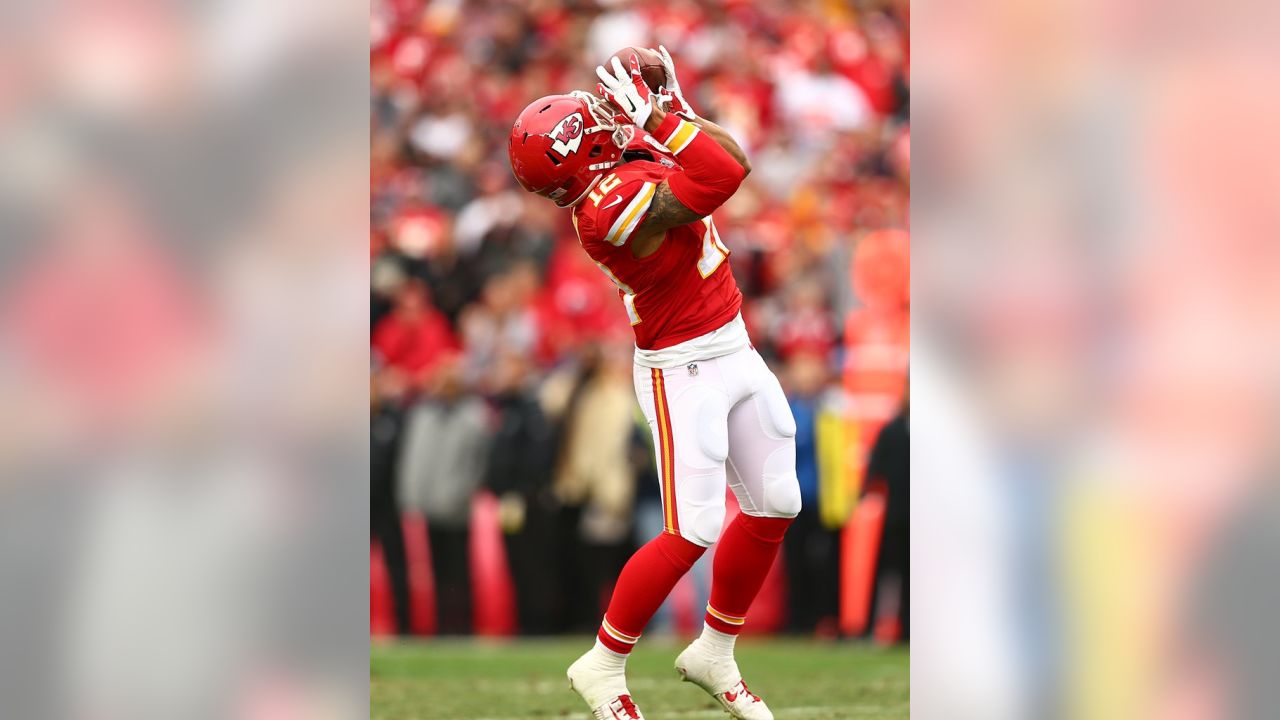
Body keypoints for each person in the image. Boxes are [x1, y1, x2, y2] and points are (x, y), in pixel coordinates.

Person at [508, 48, 801, 720]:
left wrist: (674, 106)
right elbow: (722, 172)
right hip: (684, 366)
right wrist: (663, 120)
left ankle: (715, 652)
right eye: (593, 123)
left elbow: (733, 155)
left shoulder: (616, 164)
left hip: (732, 344)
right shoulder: (606, 205)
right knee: (690, 528)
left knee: (777, 500)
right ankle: (604, 664)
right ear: (577, 155)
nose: (607, 121)